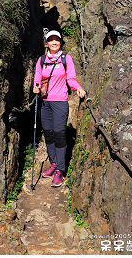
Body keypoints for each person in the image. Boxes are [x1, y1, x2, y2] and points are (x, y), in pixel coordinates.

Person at [32, 30, 86, 187]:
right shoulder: (42, 60)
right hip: (44, 102)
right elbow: (37, 79)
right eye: (51, 40)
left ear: (61, 42)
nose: (54, 42)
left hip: (60, 102)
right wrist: (35, 87)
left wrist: (78, 88)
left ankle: (60, 170)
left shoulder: (66, 58)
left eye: (57, 40)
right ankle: (54, 163)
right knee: (48, 134)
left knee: (59, 134)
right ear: (46, 43)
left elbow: (71, 79)